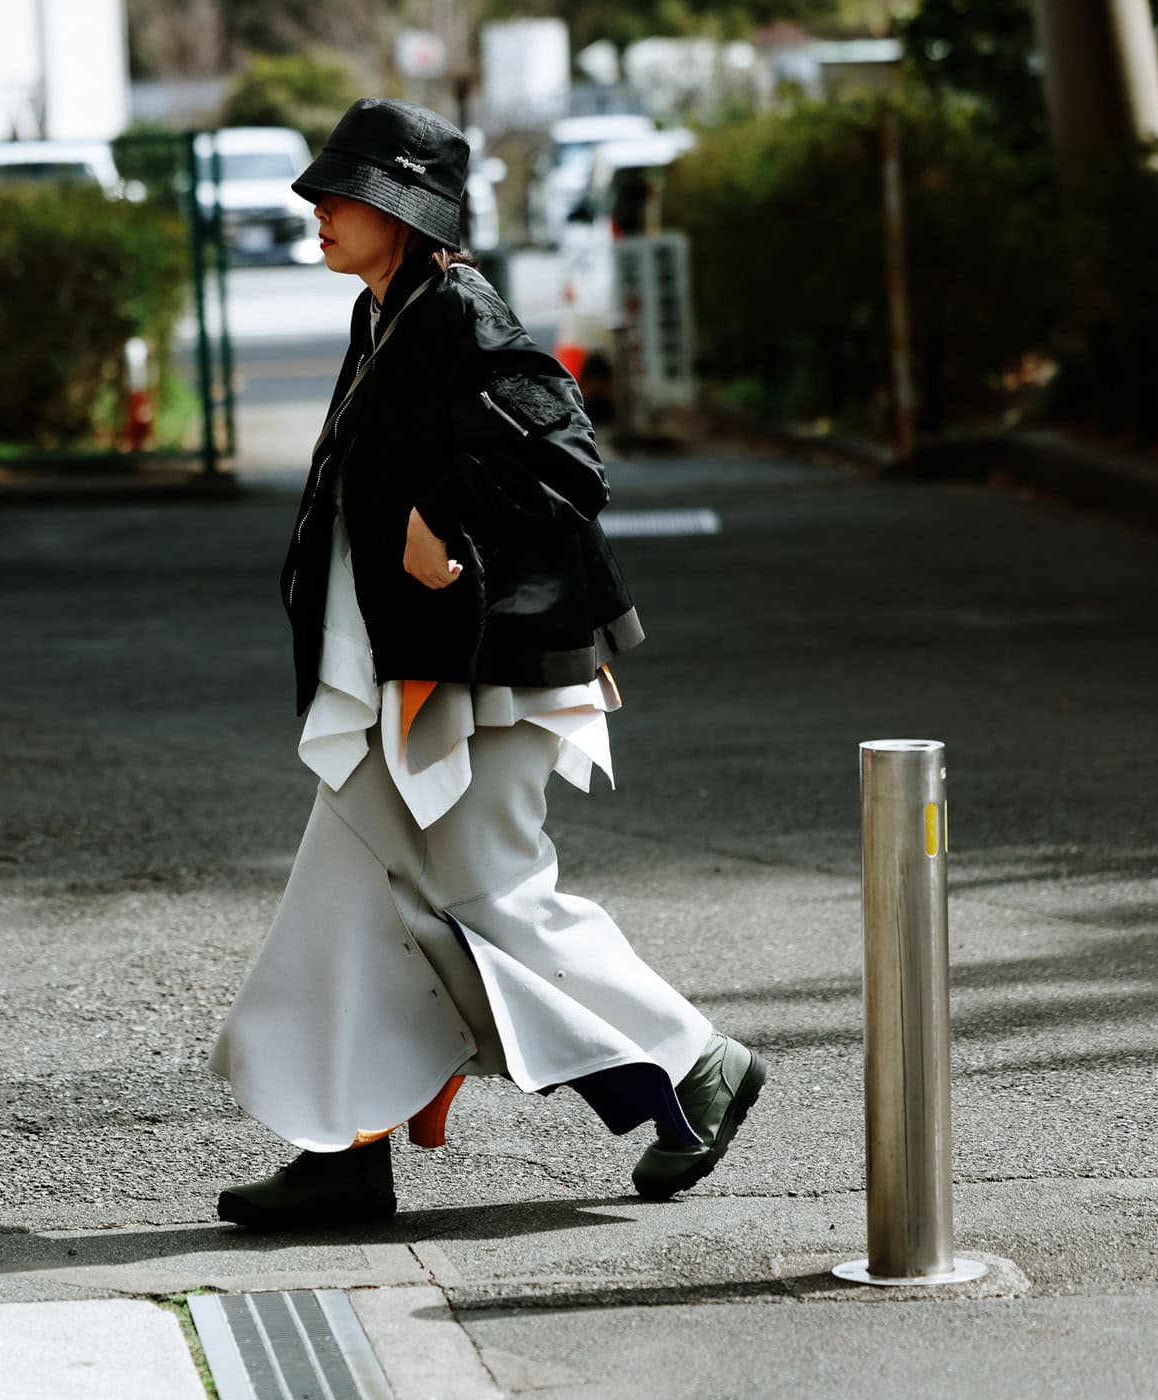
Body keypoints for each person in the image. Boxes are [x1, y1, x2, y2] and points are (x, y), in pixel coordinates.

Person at [210, 99, 767, 1230]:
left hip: (494, 673)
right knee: (346, 899)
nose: (313, 208)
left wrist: (443, 516)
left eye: (339, 193)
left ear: (400, 212)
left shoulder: (455, 308)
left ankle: (697, 1063)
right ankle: (344, 1147)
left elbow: (571, 458)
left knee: (489, 898)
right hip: (424, 673)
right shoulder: (390, 311)